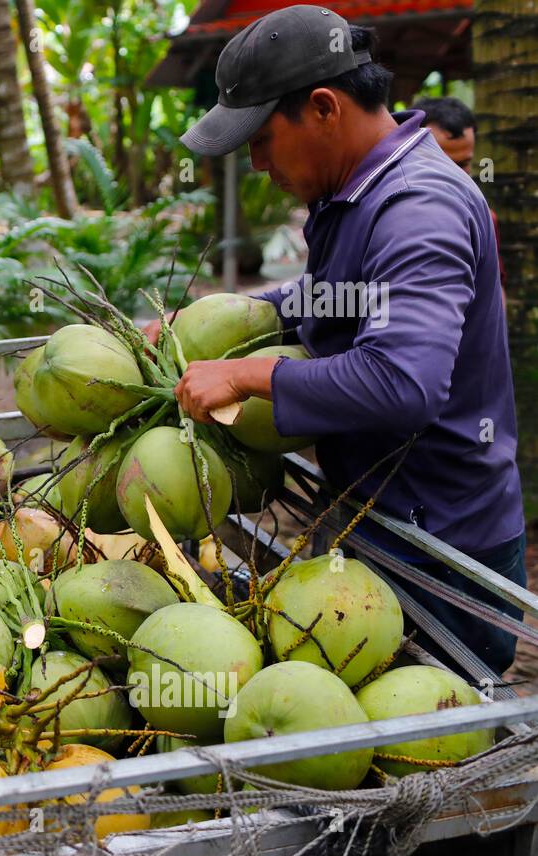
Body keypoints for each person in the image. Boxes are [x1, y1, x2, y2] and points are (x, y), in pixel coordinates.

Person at [164, 5, 527, 677]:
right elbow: (334, 302)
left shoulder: (418, 208)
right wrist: (231, 320)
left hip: (439, 545)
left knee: (441, 748)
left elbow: (403, 382)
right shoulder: (356, 195)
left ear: (324, 108)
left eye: (263, 138)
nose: (257, 162)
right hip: (378, 518)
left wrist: (251, 377)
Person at [413, 95, 504, 285]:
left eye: (462, 164)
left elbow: (493, 289)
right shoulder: (382, 213)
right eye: (440, 162)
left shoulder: (484, 220)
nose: (452, 175)